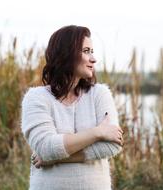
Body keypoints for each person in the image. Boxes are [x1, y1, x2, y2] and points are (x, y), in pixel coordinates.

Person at [21, 25, 123, 190]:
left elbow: (112, 145)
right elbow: (46, 148)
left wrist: (57, 158)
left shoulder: (100, 94)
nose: (93, 59)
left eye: (92, 51)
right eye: (86, 51)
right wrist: (97, 133)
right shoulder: (36, 98)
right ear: (66, 54)